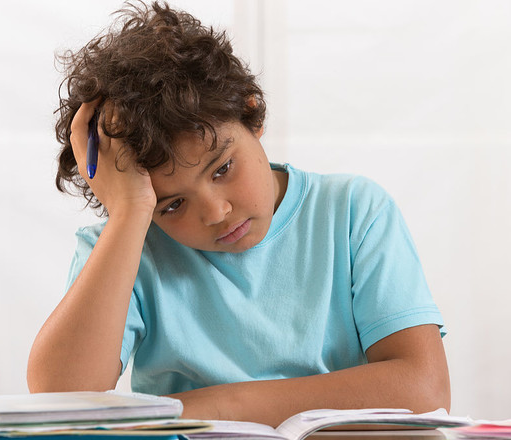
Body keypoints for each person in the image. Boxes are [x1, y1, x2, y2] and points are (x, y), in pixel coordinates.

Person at [27, 1, 450, 426]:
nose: (216, 212)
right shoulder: (124, 246)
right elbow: (60, 398)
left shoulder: (354, 212)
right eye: (171, 204)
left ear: (250, 111)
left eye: (223, 168)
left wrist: (217, 407)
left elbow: (423, 389)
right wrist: (129, 215)